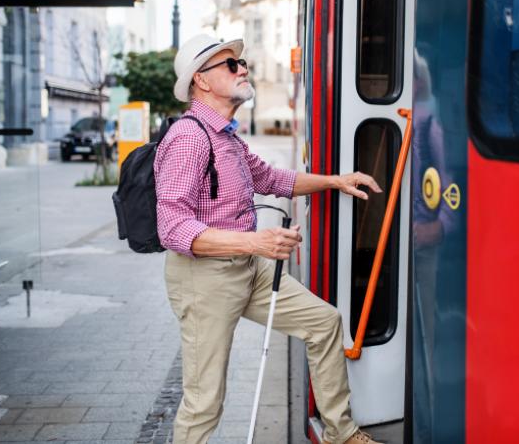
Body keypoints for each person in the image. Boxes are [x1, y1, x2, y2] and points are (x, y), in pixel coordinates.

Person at [154, 34, 384, 444]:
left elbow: (272, 179)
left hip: (246, 267)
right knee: (205, 398)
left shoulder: (226, 136)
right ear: (201, 81)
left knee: (324, 322)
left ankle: (341, 434)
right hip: (204, 279)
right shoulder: (189, 138)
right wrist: (257, 244)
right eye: (231, 65)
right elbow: (172, 228)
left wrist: (335, 180)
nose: (243, 69)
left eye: (241, 64)